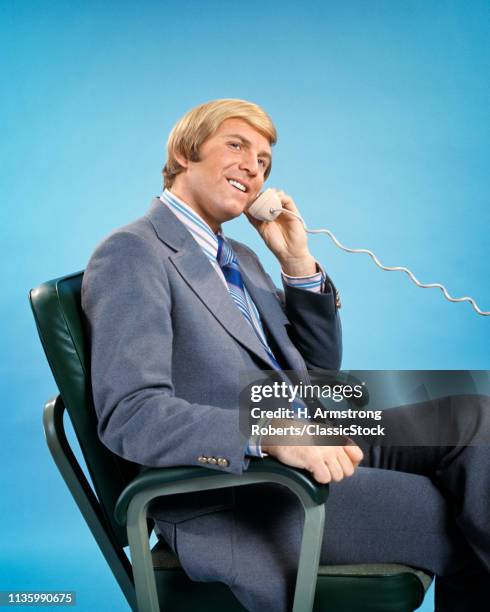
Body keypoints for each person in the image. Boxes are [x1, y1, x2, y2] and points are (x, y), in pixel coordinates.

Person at [82, 98, 490, 611]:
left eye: (264, 162)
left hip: (314, 421)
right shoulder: (132, 253)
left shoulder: (241, 256)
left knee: (478, 412)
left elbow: (320, 370)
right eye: (237, 146)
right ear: (185, 153)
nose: (253, 168)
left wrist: (295, 262)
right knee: (465, 506)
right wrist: (270, 434)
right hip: (243, 491)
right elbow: (131, 415)